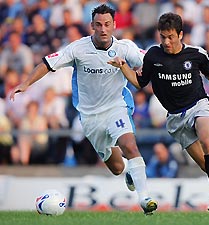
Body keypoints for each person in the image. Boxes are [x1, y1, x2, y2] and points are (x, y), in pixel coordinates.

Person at [9, 4, 157, 215]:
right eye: (98, 25)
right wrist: (25, 83)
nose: (103, 29)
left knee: (130, 145)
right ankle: (128, 170)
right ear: (91, 26)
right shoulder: (78, 49)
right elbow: (47, 63)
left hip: (117, 106)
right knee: (116, 167)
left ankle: (145, 199)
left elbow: (150, 61)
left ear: (115, 25)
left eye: (107, 24)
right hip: (89, 116)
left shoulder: (126, 48)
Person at [108, 12, 209, 215]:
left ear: (180, 34)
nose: (166, 41)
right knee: (207, 165)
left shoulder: (196, 54)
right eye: (162, 36)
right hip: (175, 118)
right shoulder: (153, 56)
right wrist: (123, 67)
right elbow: (139, 83)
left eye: (170, 36)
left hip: (200, 106)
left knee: (207, 142)